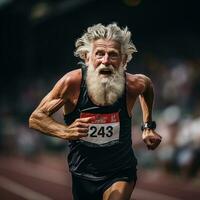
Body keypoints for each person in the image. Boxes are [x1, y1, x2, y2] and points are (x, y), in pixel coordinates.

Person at [29, 23, 162, 200]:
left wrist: (148, 126)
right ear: (87, 58)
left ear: (123, 61)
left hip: (120, 171)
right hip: (82, 174)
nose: (105, 60)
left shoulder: (132, 84)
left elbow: (147, 86)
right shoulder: (72, 83)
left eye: (113, 55)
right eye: (100, 53)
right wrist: (65, 131)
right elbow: (36, 118)